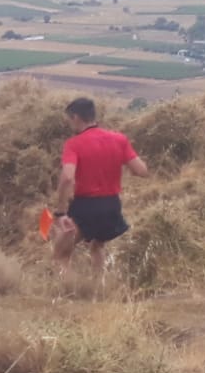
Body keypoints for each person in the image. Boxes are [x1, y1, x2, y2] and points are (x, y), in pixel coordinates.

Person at [50, 96, 147, 273]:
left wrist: (61, 212)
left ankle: (65, 293)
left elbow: (67, 178)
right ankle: (99, 290)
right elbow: (141, 171)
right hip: (112, 205)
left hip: (86, 207)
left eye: (69, 120)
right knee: (97, 246)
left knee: (61, 255)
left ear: (76, 118)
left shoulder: (74, 144)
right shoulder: (119, 139)